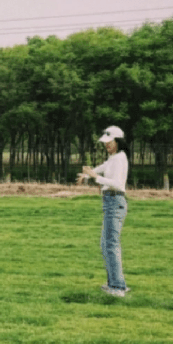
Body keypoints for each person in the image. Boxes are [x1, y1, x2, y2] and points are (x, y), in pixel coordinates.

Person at [76, 126, 130, 297]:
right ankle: (113, 283)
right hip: (110, 201)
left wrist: (95, 177)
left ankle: (118, 288)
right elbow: (102, 167)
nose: (107, 145)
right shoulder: (113, 158)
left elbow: (117, 183)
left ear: (118, 142)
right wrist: (87, 175)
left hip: (115, 200)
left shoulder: (120, 158)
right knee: (106, 244)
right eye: (105, 143)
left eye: (110, 142)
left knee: (111, 244)